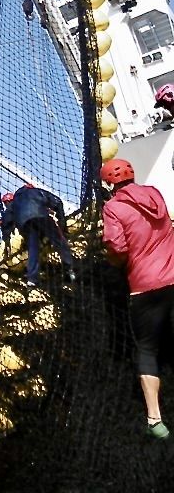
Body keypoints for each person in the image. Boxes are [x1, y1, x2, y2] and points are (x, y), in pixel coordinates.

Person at [101, 157, 174, 439]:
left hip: (145, 287)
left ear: (109, 182)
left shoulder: (113, 207)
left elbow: (116, 246)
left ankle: (155, 420)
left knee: (147, 349)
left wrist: (116, 263)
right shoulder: (154, 194)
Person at [2, 184, 75, 286]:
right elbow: (57, 202)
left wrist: (6, 240)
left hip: (24, 224)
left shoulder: (15, 202)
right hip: (41, 217)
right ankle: (69, 269)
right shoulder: (36, 192)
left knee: (33, 249)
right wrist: (62, 224)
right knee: (59, 241)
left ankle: (32, 279)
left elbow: (6, 220)